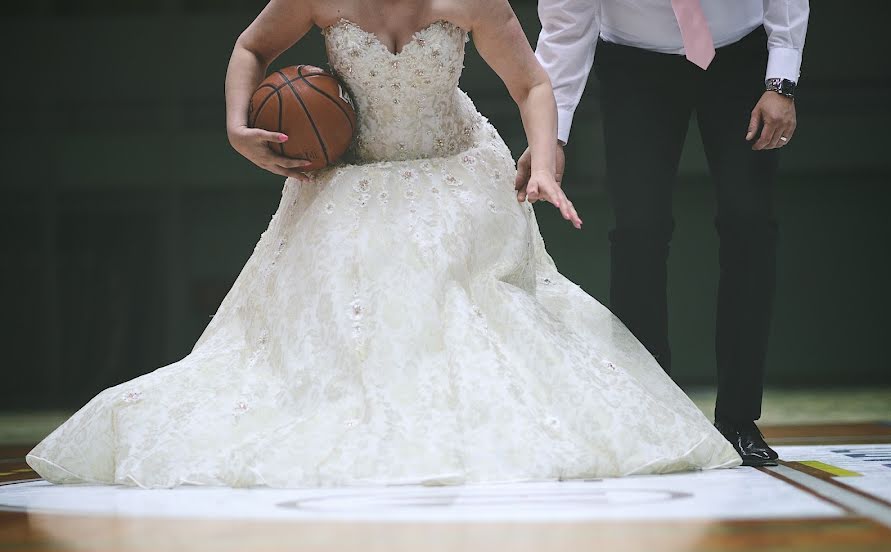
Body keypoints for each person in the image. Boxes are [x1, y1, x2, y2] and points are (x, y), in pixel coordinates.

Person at [25, 0, 739, 489]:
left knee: (445, 286)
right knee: (339, 302)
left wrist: (545, 159)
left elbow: (531, 84)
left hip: (457, 170)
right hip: (353, 174)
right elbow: (251, 46)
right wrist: (237, 124)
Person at [518, 0, 810, 466]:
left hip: (740, 56)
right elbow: (565, 27)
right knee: (638, 231)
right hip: (636, 63)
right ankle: (651, 415)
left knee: (749, 226)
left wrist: (781, 80)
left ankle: (738, 418)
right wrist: (551, 137)